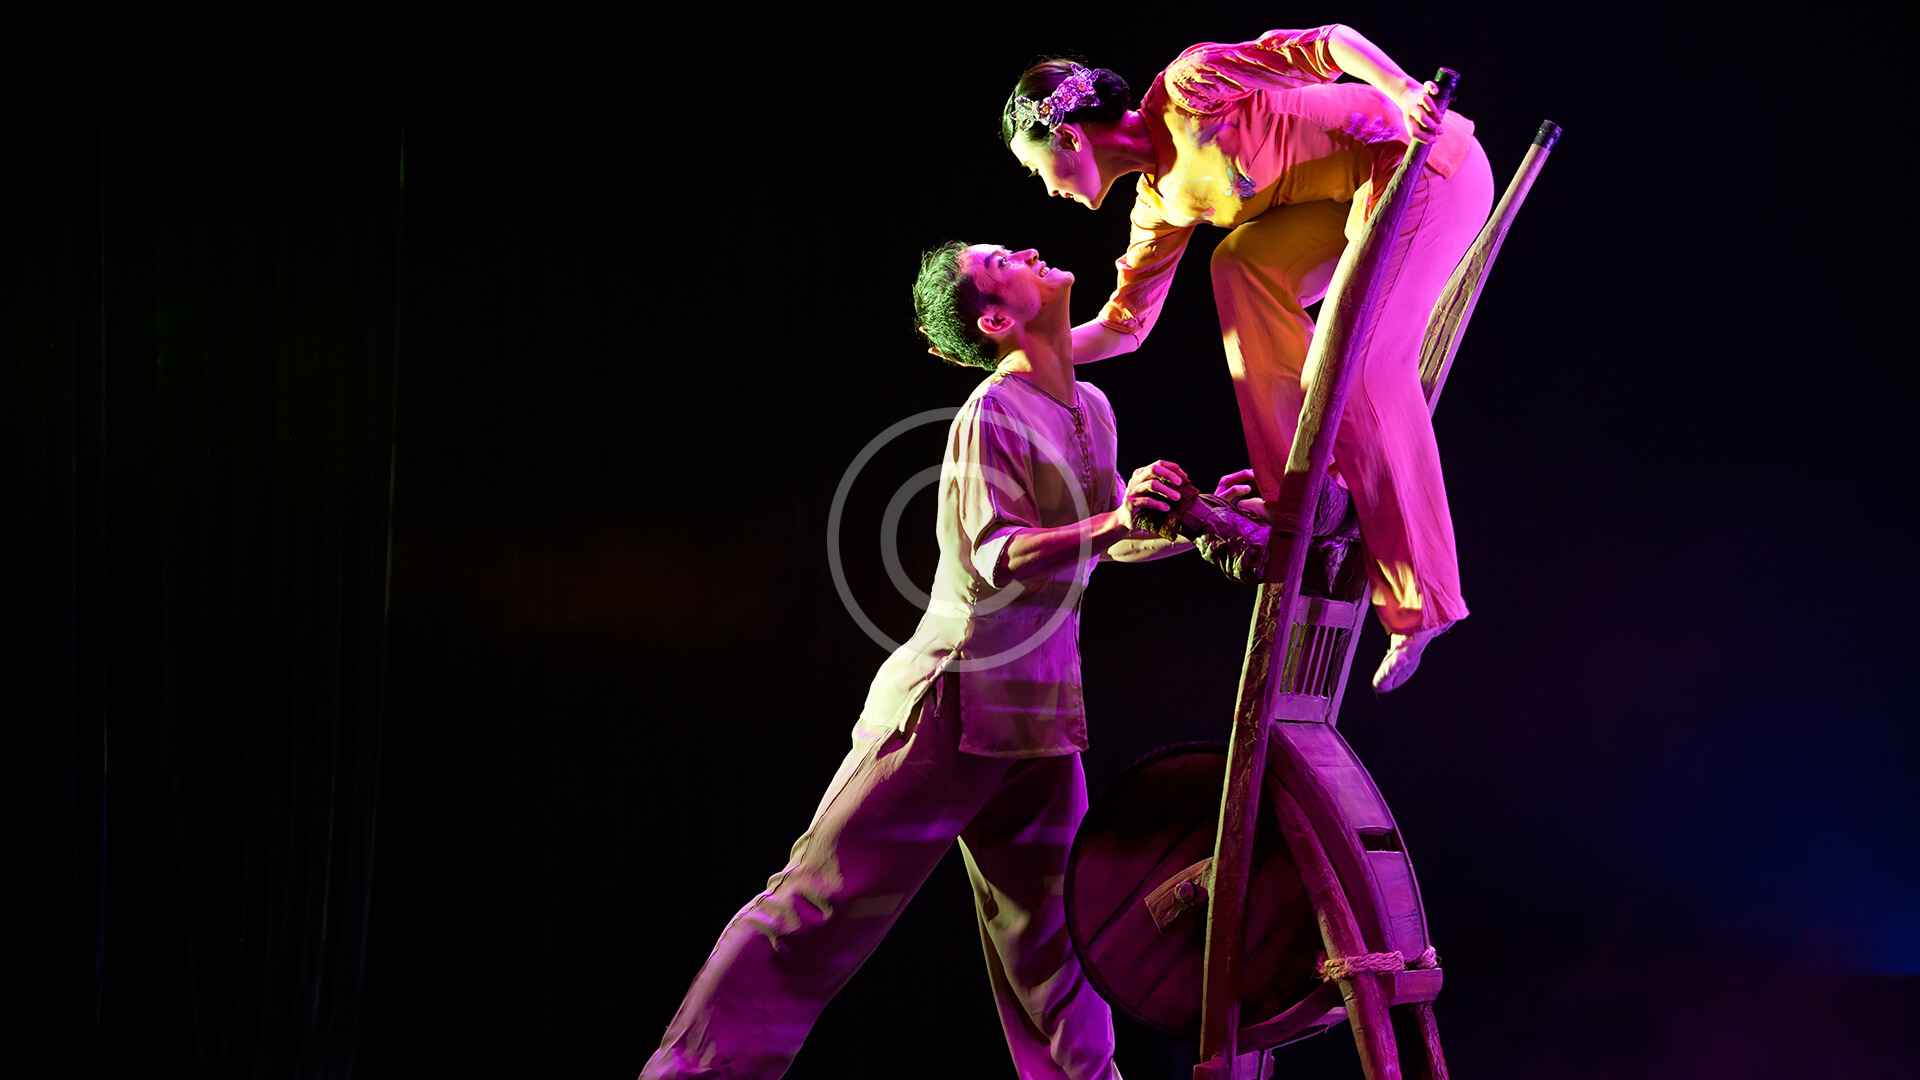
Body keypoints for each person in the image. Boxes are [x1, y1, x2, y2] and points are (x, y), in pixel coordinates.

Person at [642, 241, 1236, 1079]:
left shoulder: (1091, 407)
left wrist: (1190, 521)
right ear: (996, 321)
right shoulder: (991, 412)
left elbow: (1107, 541)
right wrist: (1113, 521)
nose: (1029, 251)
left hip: (1038, 717)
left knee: (1059, 948)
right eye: (1004, 261)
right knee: (814, 911)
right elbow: (999, 554)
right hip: (951, 705)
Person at [1002, 24, 1496, 691]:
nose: (1046, 189)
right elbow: (1124, 327)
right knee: (1238, 263)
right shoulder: (1157, 205)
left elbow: (1326, 44)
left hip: (1421, 168)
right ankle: (1302, 491)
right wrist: (1027, 352)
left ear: (1068, 139)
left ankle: (1423, 603)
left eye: (1035, 170)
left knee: (1355, 371)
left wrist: (1404, 91)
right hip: (1354, 204)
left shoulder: (1189, 88)